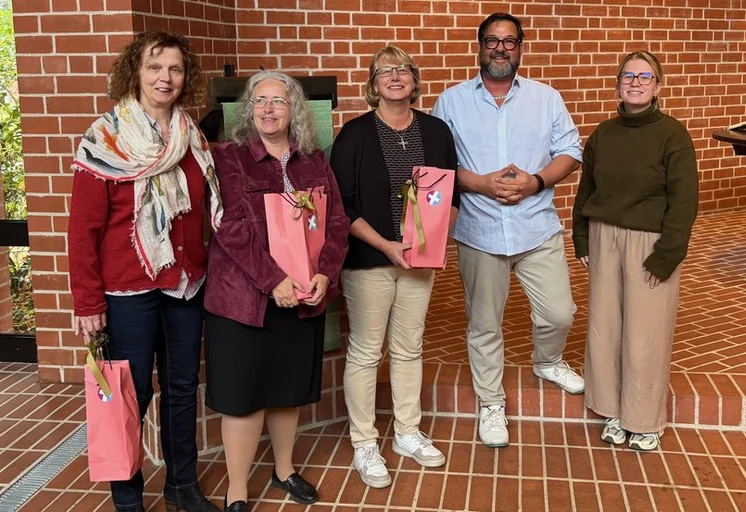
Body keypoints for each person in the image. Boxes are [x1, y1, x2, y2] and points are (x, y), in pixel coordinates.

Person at [68, 31, 223, 512]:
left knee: (180, 389)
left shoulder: (190, 134)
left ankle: (181, 484)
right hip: (127, 291)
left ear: (185, 76)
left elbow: (204, 208)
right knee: (130, 395)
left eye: (175, 69)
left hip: (184, 284)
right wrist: (88, 303)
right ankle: (128, 499)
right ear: (135, 71)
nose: (166, 78)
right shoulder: (105, 139)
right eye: (155, 67)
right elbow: (83, 231)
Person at [432, 12, 585, 449]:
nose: (501, 48)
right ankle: (491, 401)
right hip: (480, 231)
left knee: (560, 312)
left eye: (510, 42)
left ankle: (548, 360)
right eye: (492, 41)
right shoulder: (452, 101)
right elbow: (439, 166)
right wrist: (482, 183)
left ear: (521, 47)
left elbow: (570, 150)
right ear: (479, 46)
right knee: (484, 324)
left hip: (536, 226)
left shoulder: (546, 98)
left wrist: (535, 182)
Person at [203, 70, 349, 511]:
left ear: (294, 110)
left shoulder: (314, 161)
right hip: (244, 301)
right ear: (249, 109)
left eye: (279, 101)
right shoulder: (229, 158)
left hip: (303, 296)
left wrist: (323, 275)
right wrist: (274, 282)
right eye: (260, 100)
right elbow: (230, 227)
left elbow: (337, 223)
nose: (269, 108)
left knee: (288, 391)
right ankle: (237, 489)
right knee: (244, 398)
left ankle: (283, 469)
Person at [330, 45, 460, 488]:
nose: (396, 76)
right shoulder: (355, 134)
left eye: (403, 68)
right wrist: (386, 245)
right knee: (367, 351)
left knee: (408, 348)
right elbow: (341, 206)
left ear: (414, 79)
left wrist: (431, 241)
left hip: (419, 260)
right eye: (386, 70)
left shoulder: (437, 131)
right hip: (371, 258)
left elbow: (450, 197)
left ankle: (406, 432)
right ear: (374, 83)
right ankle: (365, 441)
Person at [572, 51, 698, 451]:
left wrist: (667, 254)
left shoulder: (673, 135)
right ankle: (611, 410)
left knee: (646, 332)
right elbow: (586, 191)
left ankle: (643, 419)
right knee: (605, 327)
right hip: (604, 237)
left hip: (650, 243)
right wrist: (582, 238)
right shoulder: (603, 134)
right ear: (618, 84)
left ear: (658, 86)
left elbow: (684, 202)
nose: (636, 82)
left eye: (645, 76)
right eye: (629, 75)